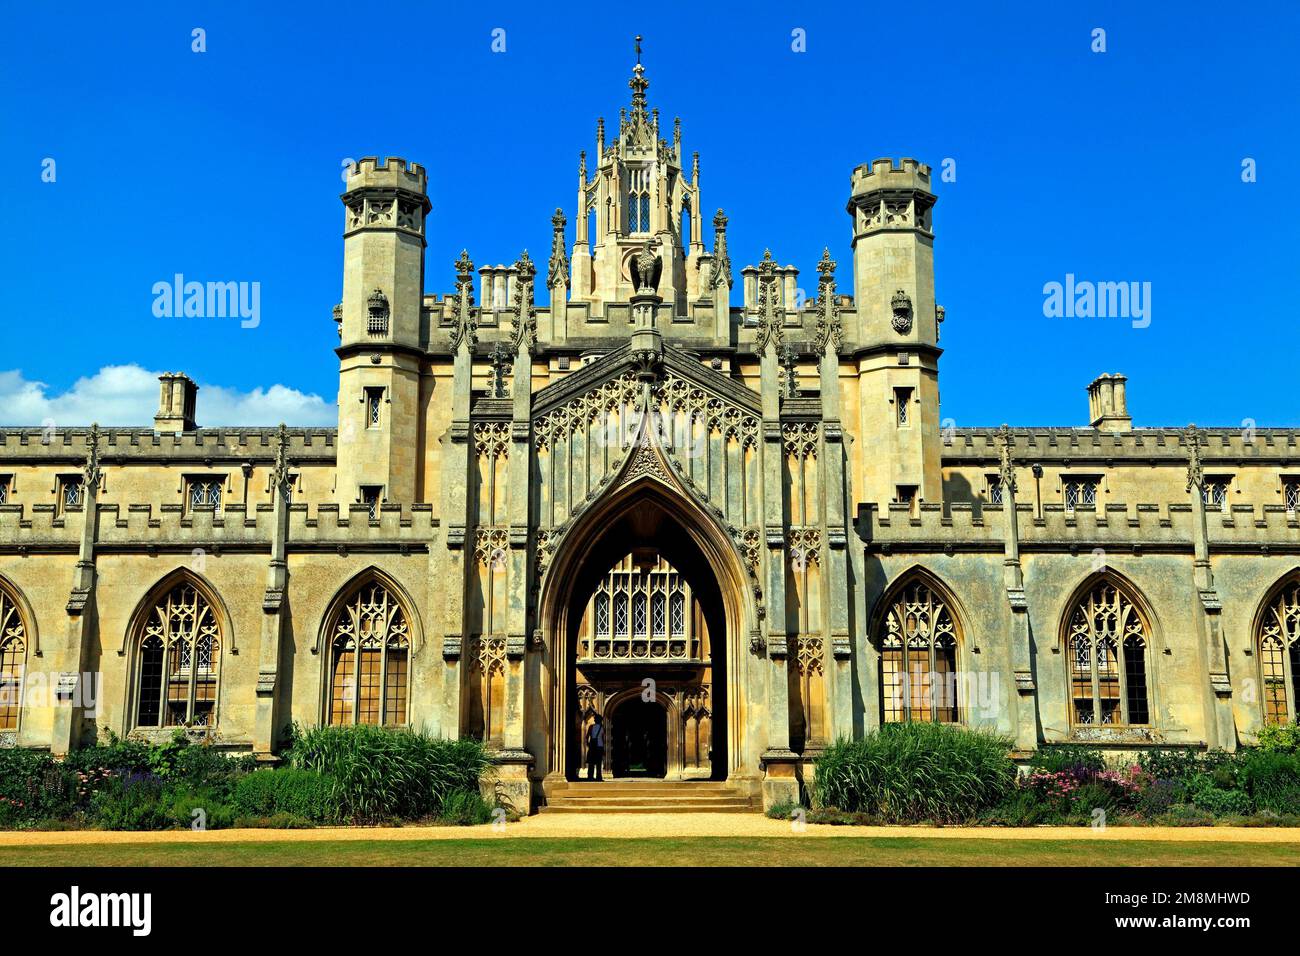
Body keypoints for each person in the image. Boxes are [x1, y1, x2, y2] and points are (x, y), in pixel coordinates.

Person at [585, 714, 605, 781]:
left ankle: (590, 776)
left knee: (591, 763)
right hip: (599, 746)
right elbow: (603, 738)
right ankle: (598, 777)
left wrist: (588, 744)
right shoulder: (602, 728)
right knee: (598, 763)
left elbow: (587, 736)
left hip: (593, 746)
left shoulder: (591, 727)